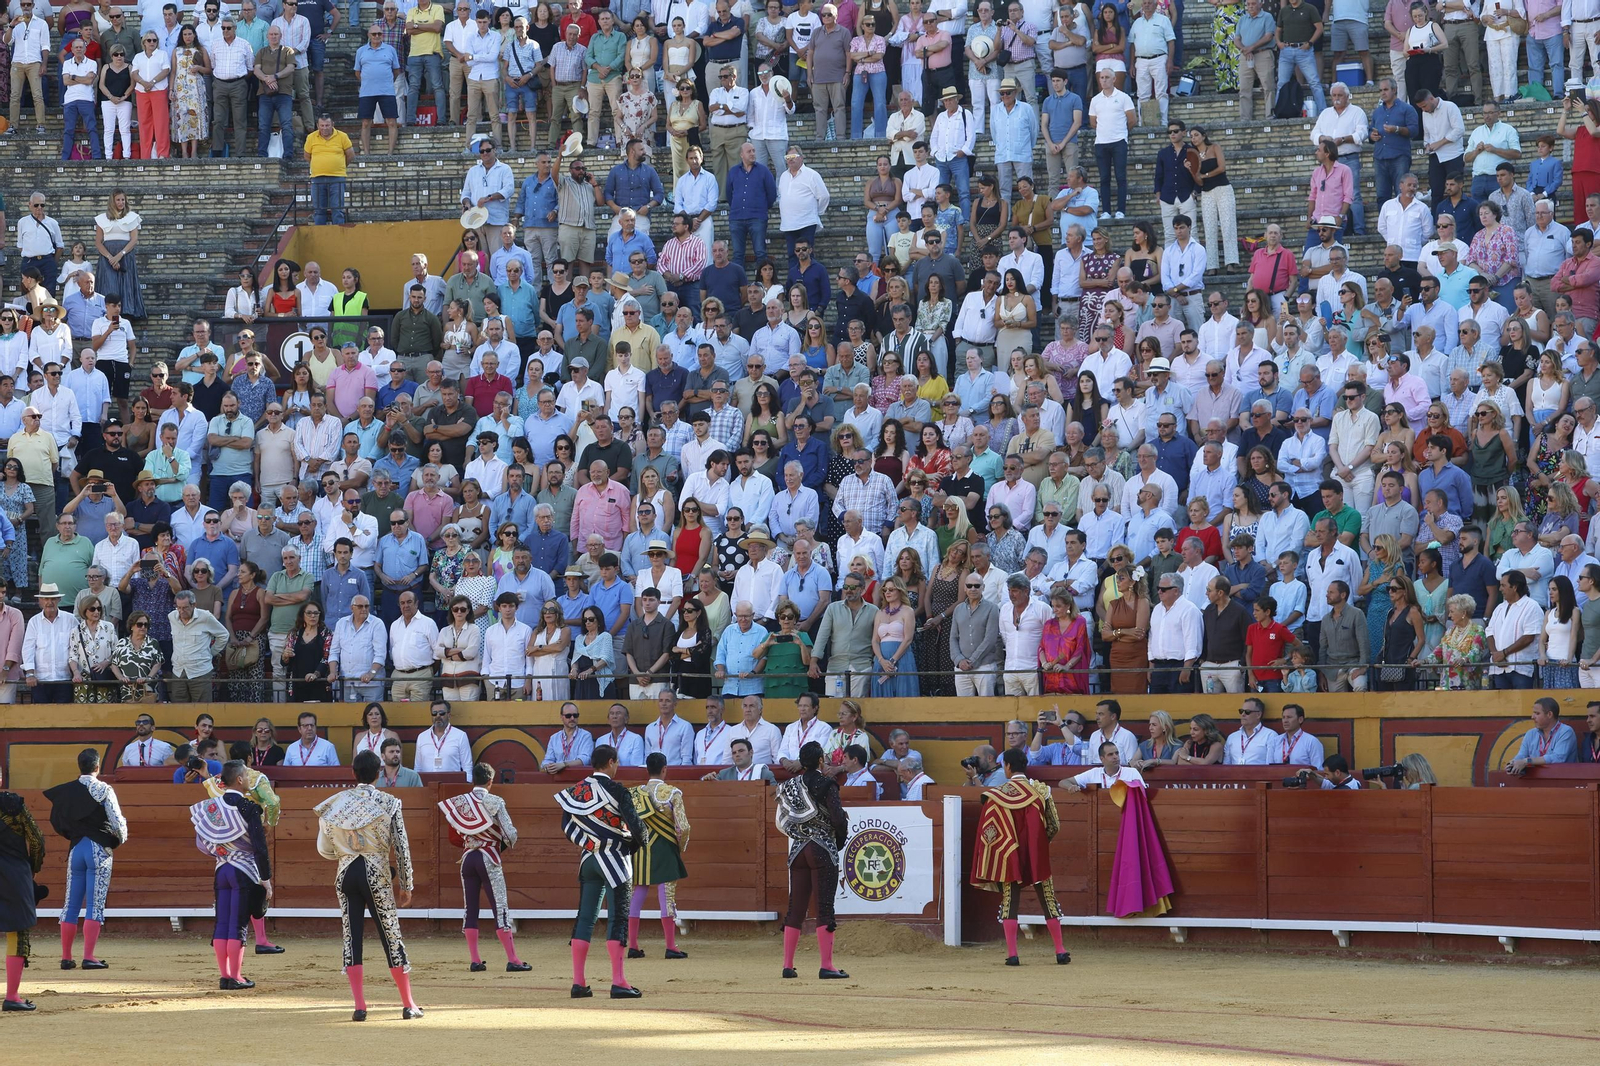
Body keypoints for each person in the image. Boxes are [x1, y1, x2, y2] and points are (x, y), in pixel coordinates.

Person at [314, 750, 421, 1021]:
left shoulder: (334, 803)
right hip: (376, 873)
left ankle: (359, 1007)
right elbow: (402, 845)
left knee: (352, 937)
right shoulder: (389, 802)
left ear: (353, 773)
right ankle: (408, 1004)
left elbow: (324, 849)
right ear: (379, 774)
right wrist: (406, 883)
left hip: (346, 873)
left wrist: (345, 854)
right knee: (390, 934)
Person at [555, 744, 645, 1000]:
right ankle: (618, 982)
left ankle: (578, 983)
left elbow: (567, 826)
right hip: (615, 860)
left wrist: (590, 844)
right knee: (618, 919)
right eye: (616, 763)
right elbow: (636, 827)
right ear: (611, 762)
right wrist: (635, 845)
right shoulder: (617, 790)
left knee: (584, 919)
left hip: (588, 861)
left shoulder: (577, 790)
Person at [970, 746, 1069, 966]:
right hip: (1036, 852)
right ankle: (1060, 951)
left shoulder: (997, 795)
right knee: (1047, 899)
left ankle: (1013, 955)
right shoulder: (1041, 791)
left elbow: (989, 832)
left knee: (1010, 901)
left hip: (1009, 854)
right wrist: (1039, 845)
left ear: (1006, 766)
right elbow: (1054, 825)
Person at [188, 760, 272, 991]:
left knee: (222, 923)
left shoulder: (210, 806)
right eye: (247, 775)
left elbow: (203, 844)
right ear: (240, 780)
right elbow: (259, 847)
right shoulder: (249, 808)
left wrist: (223, 851)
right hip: (243, 871)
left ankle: (225, 976)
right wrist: (265, 879)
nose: (249, 779)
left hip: (221, 869)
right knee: (238, 924)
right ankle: (235, 976)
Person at [438, 762, 530, 973]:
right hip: (489, 858)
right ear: (490, 781)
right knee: (500, 908)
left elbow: (455, 835)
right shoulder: (495, 801)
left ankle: (475, 960)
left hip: (468, 858)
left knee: (471, 909)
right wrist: (501, 843)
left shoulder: (461, 803)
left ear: (473, 781)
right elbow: (511, 833)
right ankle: (513, 959)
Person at [43, 748, 126, 971]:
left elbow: (56, 821)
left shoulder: (67, 791)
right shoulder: (103, 789)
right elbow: (117, 822)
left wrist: (72, 834)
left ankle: (66, 957)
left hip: (76, 849)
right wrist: (118, 840)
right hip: (98, 849)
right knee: (94, 904)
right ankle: (89, 956)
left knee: (70, 904)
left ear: (79, 766)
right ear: (97, 767)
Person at [775, 740, 849, 980]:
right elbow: (837, 818)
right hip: (821, 849)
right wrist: (839, 838)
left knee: (795, 908)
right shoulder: (827, 784)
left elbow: (782, 821)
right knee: (824, 907)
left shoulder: (789, 786)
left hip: (798, 850)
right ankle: (826, 965)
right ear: (820, 761)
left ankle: (788, 965)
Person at [626, 752, 690, 961]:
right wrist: (680, 846)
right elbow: (684, 827)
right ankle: (671, 946)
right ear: (664, 769)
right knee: (667, 895)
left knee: (638, 892)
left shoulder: (635, 793)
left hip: (641, 849)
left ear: (647, 769)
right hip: (664, 848)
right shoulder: (671, 793)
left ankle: (633, 945)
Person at [0, 764, 45, 1012]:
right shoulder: (12, 805)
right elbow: (37, 839)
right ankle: (12, 996)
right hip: (14, 875)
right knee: (17, 933)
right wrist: (33, 868)